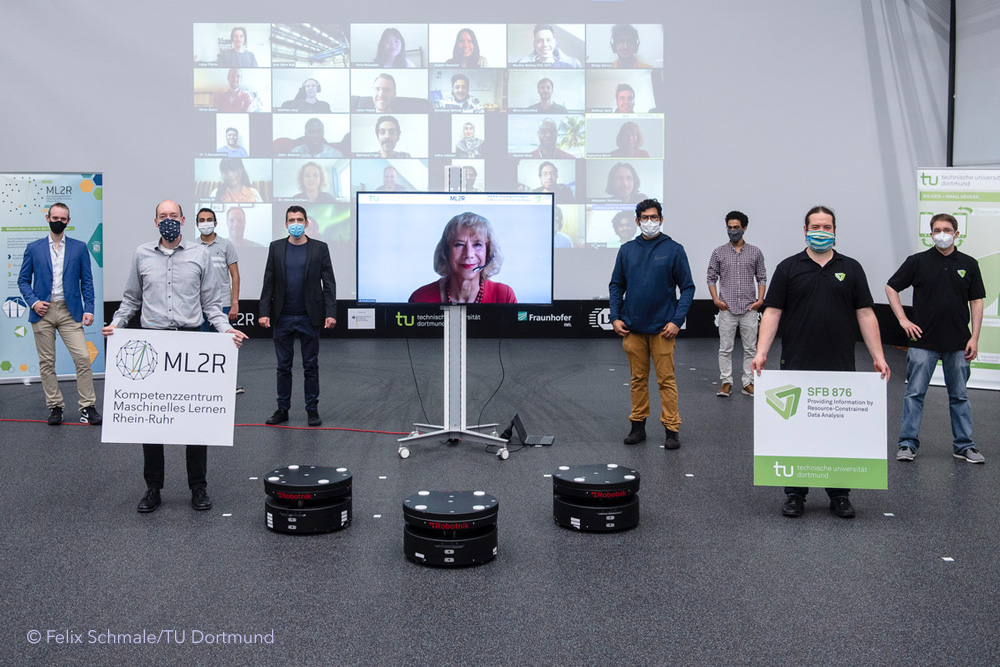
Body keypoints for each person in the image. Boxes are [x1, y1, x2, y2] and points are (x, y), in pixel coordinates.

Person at [103, 200, 248, 514]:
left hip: (190, 342)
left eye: (174, 216)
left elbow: (212, 305)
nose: (169, 221)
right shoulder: (141, 254)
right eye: (163, 216)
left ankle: (198, 487)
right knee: (151, 417)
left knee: (195, 418)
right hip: (153, 342)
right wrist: (116, 324)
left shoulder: (200, 255)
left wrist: (225, 330)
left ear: (183, 220)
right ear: (155, 221)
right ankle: (153, 487)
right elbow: (130, 300)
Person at [751, 206, 890, 519]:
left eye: (827, 227)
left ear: (835, 230)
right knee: (797, 429)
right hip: (797, 362)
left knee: (838, 430)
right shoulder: (789, 268)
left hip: (840, 363)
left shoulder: (851, 268)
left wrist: (878, 357)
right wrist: (761, 353)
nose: (821, 231)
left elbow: (865, 313)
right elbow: (772, 312)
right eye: (815, 226)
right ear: (804, 230)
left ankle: (839, 495)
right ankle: (795, 495)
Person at [886, 213, 985, 463]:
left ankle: (964, 445)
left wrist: (974, 337)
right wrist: (902, 320)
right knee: (915, 393)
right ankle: (907, 443)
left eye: (947, 229)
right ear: (930, 234)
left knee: (960, 396)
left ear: (956, 234)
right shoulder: (917, 262)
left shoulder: (969, 264)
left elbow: (976, 301)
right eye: (937, 230)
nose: (943, 234)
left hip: (959, 342)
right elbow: (891, 287)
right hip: (923, 342)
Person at [609, 199, 695, 450]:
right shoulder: (626, 250)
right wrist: (615, 316)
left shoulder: (673, 249)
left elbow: (688, 287)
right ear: (637, 221)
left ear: (661, 219)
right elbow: (617, 285)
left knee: (666, 380)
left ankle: (671, 429)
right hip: (633, 328)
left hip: (663, 330)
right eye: (645, 218)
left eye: (654, 217)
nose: (650, 222)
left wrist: (676, 321)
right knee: (637, 379)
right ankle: (638, 426)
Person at [17, 202, 101, 426]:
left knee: (83, 358)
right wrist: (34, 303)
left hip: (69, 311)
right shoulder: (34, 248)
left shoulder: (79, 247)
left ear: (68, 221)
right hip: (42, 312)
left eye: (63, 219)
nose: (58, 222)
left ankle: (87, 407)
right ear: (47, 218)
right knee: (47, 362)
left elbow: (88, 281)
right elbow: (23, 280)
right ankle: (55, 407)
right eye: (55, 218)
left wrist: (89, 308)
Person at [259, 206, 337, 427]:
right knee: (283, 366)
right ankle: (282, 409)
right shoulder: (275, 248)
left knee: (310, 366)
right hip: (282, 316)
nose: (296, 223)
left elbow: (329, 283)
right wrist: (264, 312)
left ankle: (312, 410)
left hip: (309, 316)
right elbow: (269, 282)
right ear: (286, 224)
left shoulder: (319, 248)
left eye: (300, 219)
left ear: (306, 223)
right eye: (291, 220)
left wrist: (331, 313)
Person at [706, 211, 766, 398]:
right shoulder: (719, 252)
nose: (733, 231)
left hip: (749, 308)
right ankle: (726, 382)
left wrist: (760, 300)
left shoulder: (755, 252)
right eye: (730, 228)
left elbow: (762, 276)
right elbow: (711, 277)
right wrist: (716, 300)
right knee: (725, 348)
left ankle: (748, 383)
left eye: (736, 227)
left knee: (751, 348)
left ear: (744, 228)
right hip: (727, 308)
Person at [408, 212, 517, 304]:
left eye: (477, 245)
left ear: (488, 252)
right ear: (446, 252)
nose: (469, 254)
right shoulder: (420, 298)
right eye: (459, 244)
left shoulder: (504, 296)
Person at [195, 208, 241, 332]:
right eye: (202, 220)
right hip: (199, 304)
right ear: (197, 224)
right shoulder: (193, 247)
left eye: (209, 220)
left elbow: (235, 275)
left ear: (215, 223)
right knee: (200, 342)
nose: (206, 223)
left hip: (223, 303)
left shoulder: (226, 245)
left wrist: (235, 303)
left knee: (223, 341)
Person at [516, 24, 581, 68]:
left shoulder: (568, 67)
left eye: (549, 40)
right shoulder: (525, 66)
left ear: (555, 43)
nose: (545, 44)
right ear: (534, 44)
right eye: (539, 41)